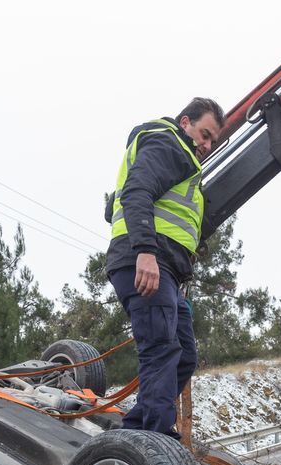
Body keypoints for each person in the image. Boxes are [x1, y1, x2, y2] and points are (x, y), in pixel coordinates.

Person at [105, 97, 225, 438]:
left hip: (166, 270)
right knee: (161, 350)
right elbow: (136, 190)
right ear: (185, 122)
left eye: (212, 141)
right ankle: (155, 441)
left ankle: (135, 432)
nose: (207, 145)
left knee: (184, 355)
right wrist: (145, 251)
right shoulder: (168, 143)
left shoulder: (183, 160)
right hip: (144, 261)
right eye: (204, 135)